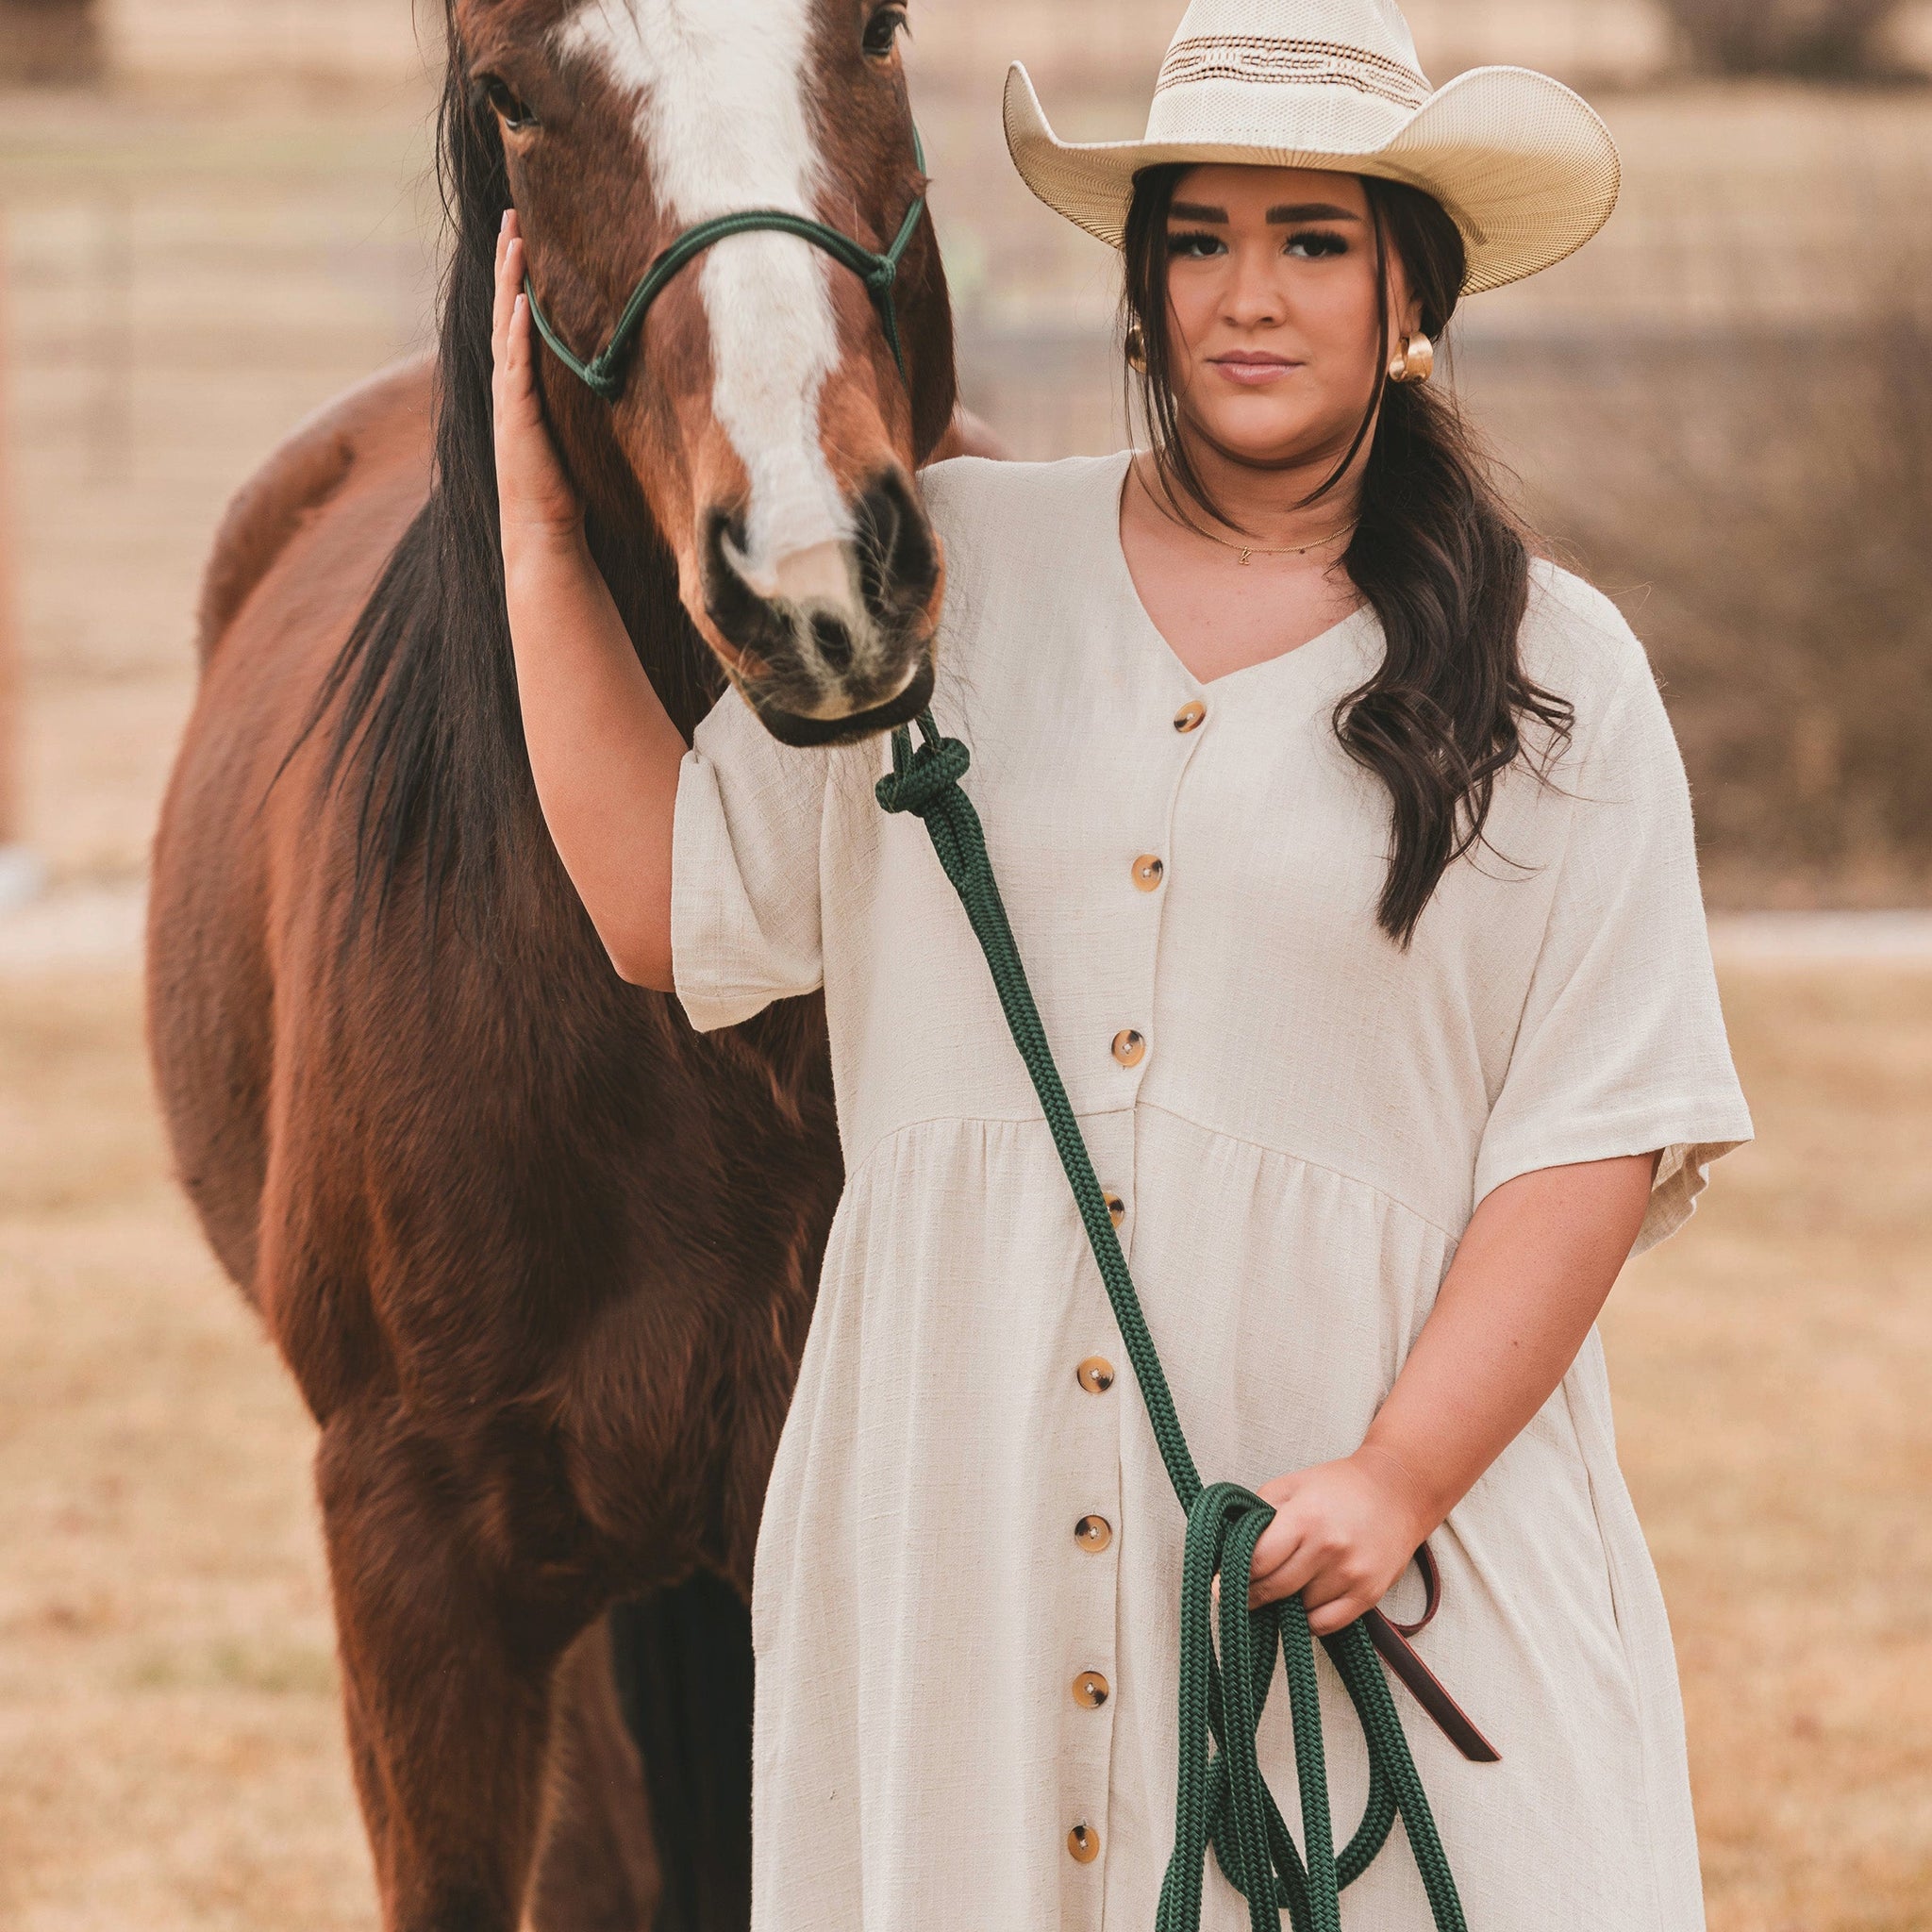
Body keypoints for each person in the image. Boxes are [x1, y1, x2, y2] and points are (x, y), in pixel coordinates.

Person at [490, 0, 1752, 1924]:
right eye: (1196, 240)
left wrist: (1401, 1471)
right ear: (1139, 294)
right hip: (963, 1545)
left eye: (1313, 242)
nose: (1248, 295)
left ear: (1410, 292)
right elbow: (671, 903)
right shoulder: (961, 572)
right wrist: (528, 534)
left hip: (1369, 1553)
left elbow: (1591, 1133)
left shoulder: (1557, 676)